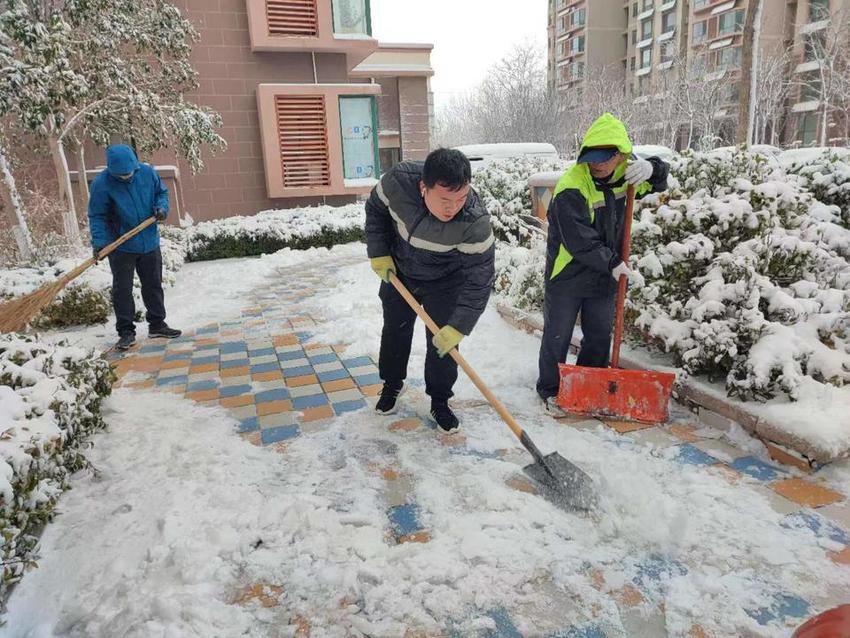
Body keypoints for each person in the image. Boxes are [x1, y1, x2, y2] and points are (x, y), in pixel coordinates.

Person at [536, 113, 669, 416]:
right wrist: (612, 263)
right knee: (558, 334)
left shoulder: (628, 173)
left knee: (598, 335)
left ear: (620, 154)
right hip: (568, 274)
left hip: (606, 273)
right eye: (591, 157)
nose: (596, 164)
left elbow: (660, 181)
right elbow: (578, 239)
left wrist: (653, 169)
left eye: (604, 158)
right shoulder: (572, 186)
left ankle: (589, 386)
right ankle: (551, 390)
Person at [365, 148, 495, 432]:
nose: (453, 207)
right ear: (424, 187)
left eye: (461, 198)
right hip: (399, 271)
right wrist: (379, 252)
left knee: (443, 344)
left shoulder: (474, 222)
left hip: (447, 281)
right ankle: (391, 385)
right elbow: (376, 209)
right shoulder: (397, 182)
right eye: (445, 200)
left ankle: (440, 401)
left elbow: (479, 279)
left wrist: (459, 326)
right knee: (395, 330)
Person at [88, 144, 181, 350]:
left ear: (135, 165)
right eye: (121, 176)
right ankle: (126, 332)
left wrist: (162, 208)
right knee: (123, 290)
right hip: (121, 246)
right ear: (112, 170)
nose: (126, 178)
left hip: (149, 241)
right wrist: (101, 243)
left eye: (129, 173)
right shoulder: (101, 184)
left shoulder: (147, 173)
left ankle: (157, 324)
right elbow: (97, 216)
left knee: (153, 284)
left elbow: (161, 193)